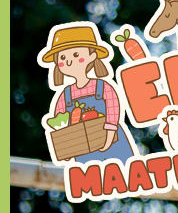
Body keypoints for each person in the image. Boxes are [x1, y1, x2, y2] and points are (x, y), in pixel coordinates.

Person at [38, 23, 137, 164]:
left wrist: (109, 137)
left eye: (76, 54)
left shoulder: (103, 87)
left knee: (125, 174)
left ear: (92, 55)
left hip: (113, 143)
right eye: (62, 58)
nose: (69, 61)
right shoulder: (64, 96)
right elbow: (61, 124)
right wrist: (66, 147)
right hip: (83, 149)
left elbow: (112, 111)